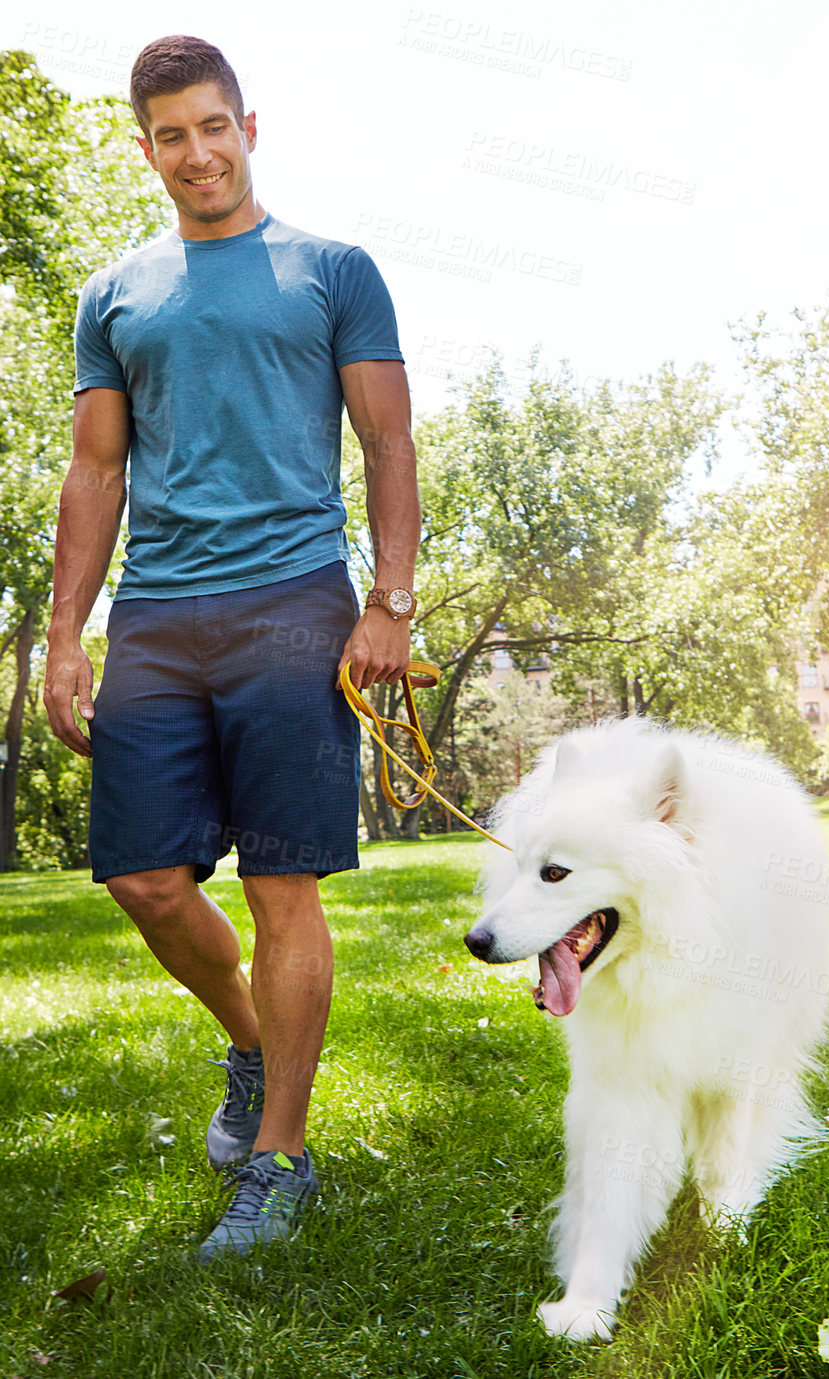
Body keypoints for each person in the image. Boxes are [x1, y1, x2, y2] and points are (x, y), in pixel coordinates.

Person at [41, 34, 421, 1263]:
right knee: (145, 877)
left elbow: (388, 444)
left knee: (279, 881)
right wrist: (63, 633)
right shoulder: (116, 294)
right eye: (171, 134)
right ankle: (253, 1042)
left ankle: (280, 1157)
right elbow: (96, 468)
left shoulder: (332, 270)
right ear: (144, 147)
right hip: (157, 610)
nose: (196, 152)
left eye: (214, 126)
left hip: (295, 602)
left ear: (250, 128)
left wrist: (391, 603)